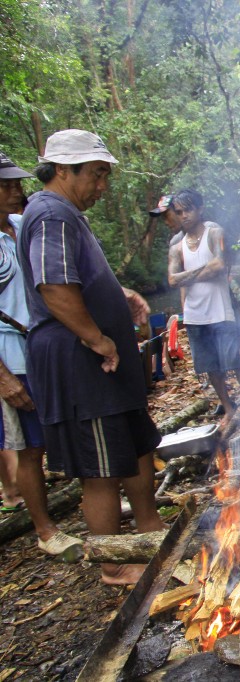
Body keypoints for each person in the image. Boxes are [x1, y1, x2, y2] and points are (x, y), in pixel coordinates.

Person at [18, 129, 165, 585]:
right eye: (97, 174)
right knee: (101, 467)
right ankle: (114, 563)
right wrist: (97, 338)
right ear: (63, 170)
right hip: (79, 361)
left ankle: (150, 534)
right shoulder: (49, 214)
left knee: (138, 449)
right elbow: (55, 289)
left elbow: (77, 278)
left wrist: (119, 297)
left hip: (105, 361)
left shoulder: (68, 215)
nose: (102, 185)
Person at [0, 150, 85, 559]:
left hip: (48, 347)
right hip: (12, 355)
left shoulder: (24, 223)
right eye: (6, 186)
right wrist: (3, 376)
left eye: (17, 183)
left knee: (69, 429)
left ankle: (91, 504)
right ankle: (45, 529)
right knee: (30, 447)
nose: (16, 191)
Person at [167, 189, 240, 423]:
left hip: (220, 310)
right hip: (195, 314)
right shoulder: (177, 244)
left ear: (199, 208)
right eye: (179, 212)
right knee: (211, 367)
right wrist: (201, 272)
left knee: (234, 361)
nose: (183, 215)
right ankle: (229, 409)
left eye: (188, 209)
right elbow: (172, 280)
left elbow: (218, 265)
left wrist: (188, 275)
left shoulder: (214, 232)